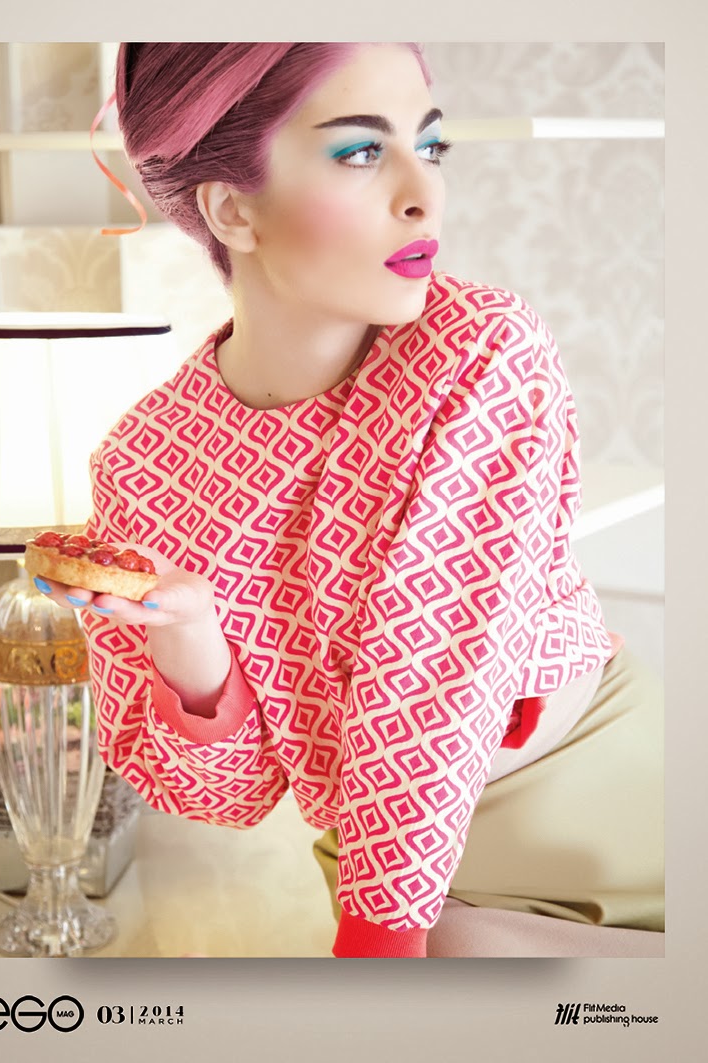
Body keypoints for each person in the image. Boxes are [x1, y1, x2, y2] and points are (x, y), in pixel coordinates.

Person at [35, 42, 664, 958]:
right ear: (231, 209)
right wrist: (190, 637)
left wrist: (377, 946)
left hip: (612, 828)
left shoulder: (479, 349)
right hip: (398, 881)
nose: (423, 194)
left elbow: (431, 669)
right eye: (362, 151)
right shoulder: (142, 460)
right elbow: (222, 795)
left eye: (430, 145)